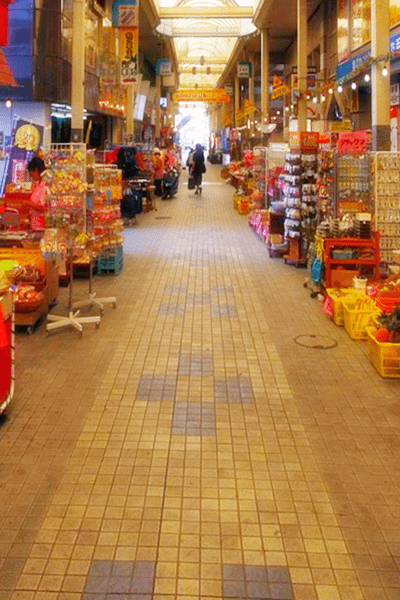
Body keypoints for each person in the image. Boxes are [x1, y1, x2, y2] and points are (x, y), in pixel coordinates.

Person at [26, 156, 47, 233]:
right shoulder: (37, 184)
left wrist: (28, 204)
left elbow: (43, 208)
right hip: (34, 225)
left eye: (33, 172)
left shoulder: (45, 186)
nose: (31, 175)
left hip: (41, 227)